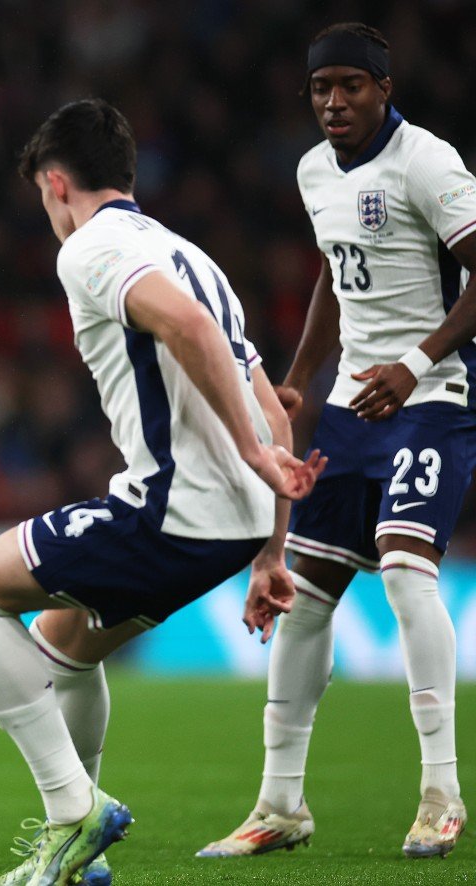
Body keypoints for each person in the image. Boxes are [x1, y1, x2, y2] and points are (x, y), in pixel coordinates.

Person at [0, 98, 324, 886]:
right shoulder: (192, 256)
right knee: (66, 646)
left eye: (43, 197)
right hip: (232, 527)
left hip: (170, 511)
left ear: (56, 183)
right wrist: (270, 552)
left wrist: (250, 452)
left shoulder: (93, 246)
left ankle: (72, 813)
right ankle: (79, 861)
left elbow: (189, 330)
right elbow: (276, 412)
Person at [197, 22, 476, 862]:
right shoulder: (314, 170)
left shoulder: (428, 162)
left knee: (405, 568)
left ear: (385, 89)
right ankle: (279, 804)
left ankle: (442, 795)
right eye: (322, 88)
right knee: (306, 593)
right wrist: (299, 379)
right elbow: (334, 271)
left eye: (352, 85)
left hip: (434, 397)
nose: (335, 101)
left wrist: (417, 362)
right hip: (356, 407)